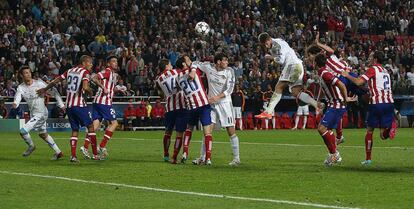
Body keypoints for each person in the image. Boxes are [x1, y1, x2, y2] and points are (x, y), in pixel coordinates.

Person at [37, 55, 99, 162]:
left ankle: (73, 156)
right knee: (91, 127)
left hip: (69, 106)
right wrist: (90, 91)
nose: (91, 65)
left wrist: (45, 88)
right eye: (90, 63)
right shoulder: (84, 72)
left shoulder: (70, 70)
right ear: (84, 62)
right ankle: (95, 155)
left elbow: (56, 80)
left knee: (75, 130)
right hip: (79, 105)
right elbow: (85, 87)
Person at [342, 51, 397, 165]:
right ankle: (390, 126)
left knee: (370, 130)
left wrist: (347, 75)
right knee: (383, 136)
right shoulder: (386, 71)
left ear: (376, 59)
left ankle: (368, 159)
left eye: (371, 57)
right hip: (389, 103)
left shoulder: (373, 69)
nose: (370, 59)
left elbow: (358, 82)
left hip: (377, 104)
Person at [255, 32, 322, 120]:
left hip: (292, 65)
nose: (265, 45)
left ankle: (268, 112)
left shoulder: (276, 45)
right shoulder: (278, 41)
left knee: (279, 87)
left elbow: (281, 60)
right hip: (298, 65)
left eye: (265, 43)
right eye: (264, 44)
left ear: (269, 39)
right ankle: (316, 104)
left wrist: (269, 57)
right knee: (295, 92)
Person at [191, 53, 241, 166]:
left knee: (230, 130)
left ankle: (236, 158)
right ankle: (203, 158)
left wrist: (216, 98)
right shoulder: (208, 67)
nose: (227, 63)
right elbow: (194, 63)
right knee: (207, 131)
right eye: (225, 60)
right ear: (218, 62)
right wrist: (193, 71)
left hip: (224, 103)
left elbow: (230, 89)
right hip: (212, 105)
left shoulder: (229, 71)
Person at [13, 66, 64, 160]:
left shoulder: (39, 83)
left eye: (29, 72)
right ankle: (58, 152)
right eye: (26, 73)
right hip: (34, 113)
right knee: (43, 134)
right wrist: (16, 103)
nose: (28, 74)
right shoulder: (21, 87)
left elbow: (54, 91)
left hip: (41, 113)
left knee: (23, 131)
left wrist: (61, 105)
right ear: (21, 75)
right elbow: (18, 95)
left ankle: (31, 146)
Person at [314, 54, 352, 166]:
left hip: (337, 104)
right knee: (323, 129)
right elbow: (323, 87)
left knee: (322, 128)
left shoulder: (325, 73)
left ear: (315, 63)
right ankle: (333, 153)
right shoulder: (321, 72)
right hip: (333, 104)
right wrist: (318, 102)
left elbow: (340, 84)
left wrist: (346, 98)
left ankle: (335, 154)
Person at [176, 55, 214, 165]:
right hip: (202, 104)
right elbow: (193, 73)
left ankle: (185, 153)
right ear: (184, 63)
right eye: (188, 59)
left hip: (191, 106)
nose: (190, 61)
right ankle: (208, 158)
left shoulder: (178, 78)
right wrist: (193, 68)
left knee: (189, 129)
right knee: (207, 132)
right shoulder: (192, 69)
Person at [80, 55, 118, 159]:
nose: (116, 63)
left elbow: (109, 88)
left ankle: (85, 147)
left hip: (98, 102)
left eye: (116, 61)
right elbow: (94, 77)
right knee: (114, 123)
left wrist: (116, 90)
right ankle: (101, 146)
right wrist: (103, 87)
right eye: (113, 61)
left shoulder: (113, 74)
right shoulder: (108, 71)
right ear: (109, 64)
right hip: (103, 102)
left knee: (95, 125)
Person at [155, 59, 187, 164]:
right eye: (170, 64)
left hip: (169, 108)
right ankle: (174, 157)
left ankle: (165, 154)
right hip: (181, 106)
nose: (171, 65)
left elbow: (160, 94)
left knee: (168, 132)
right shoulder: (176, 72)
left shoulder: (158, 80)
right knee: (179, 134)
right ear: (166, 66)